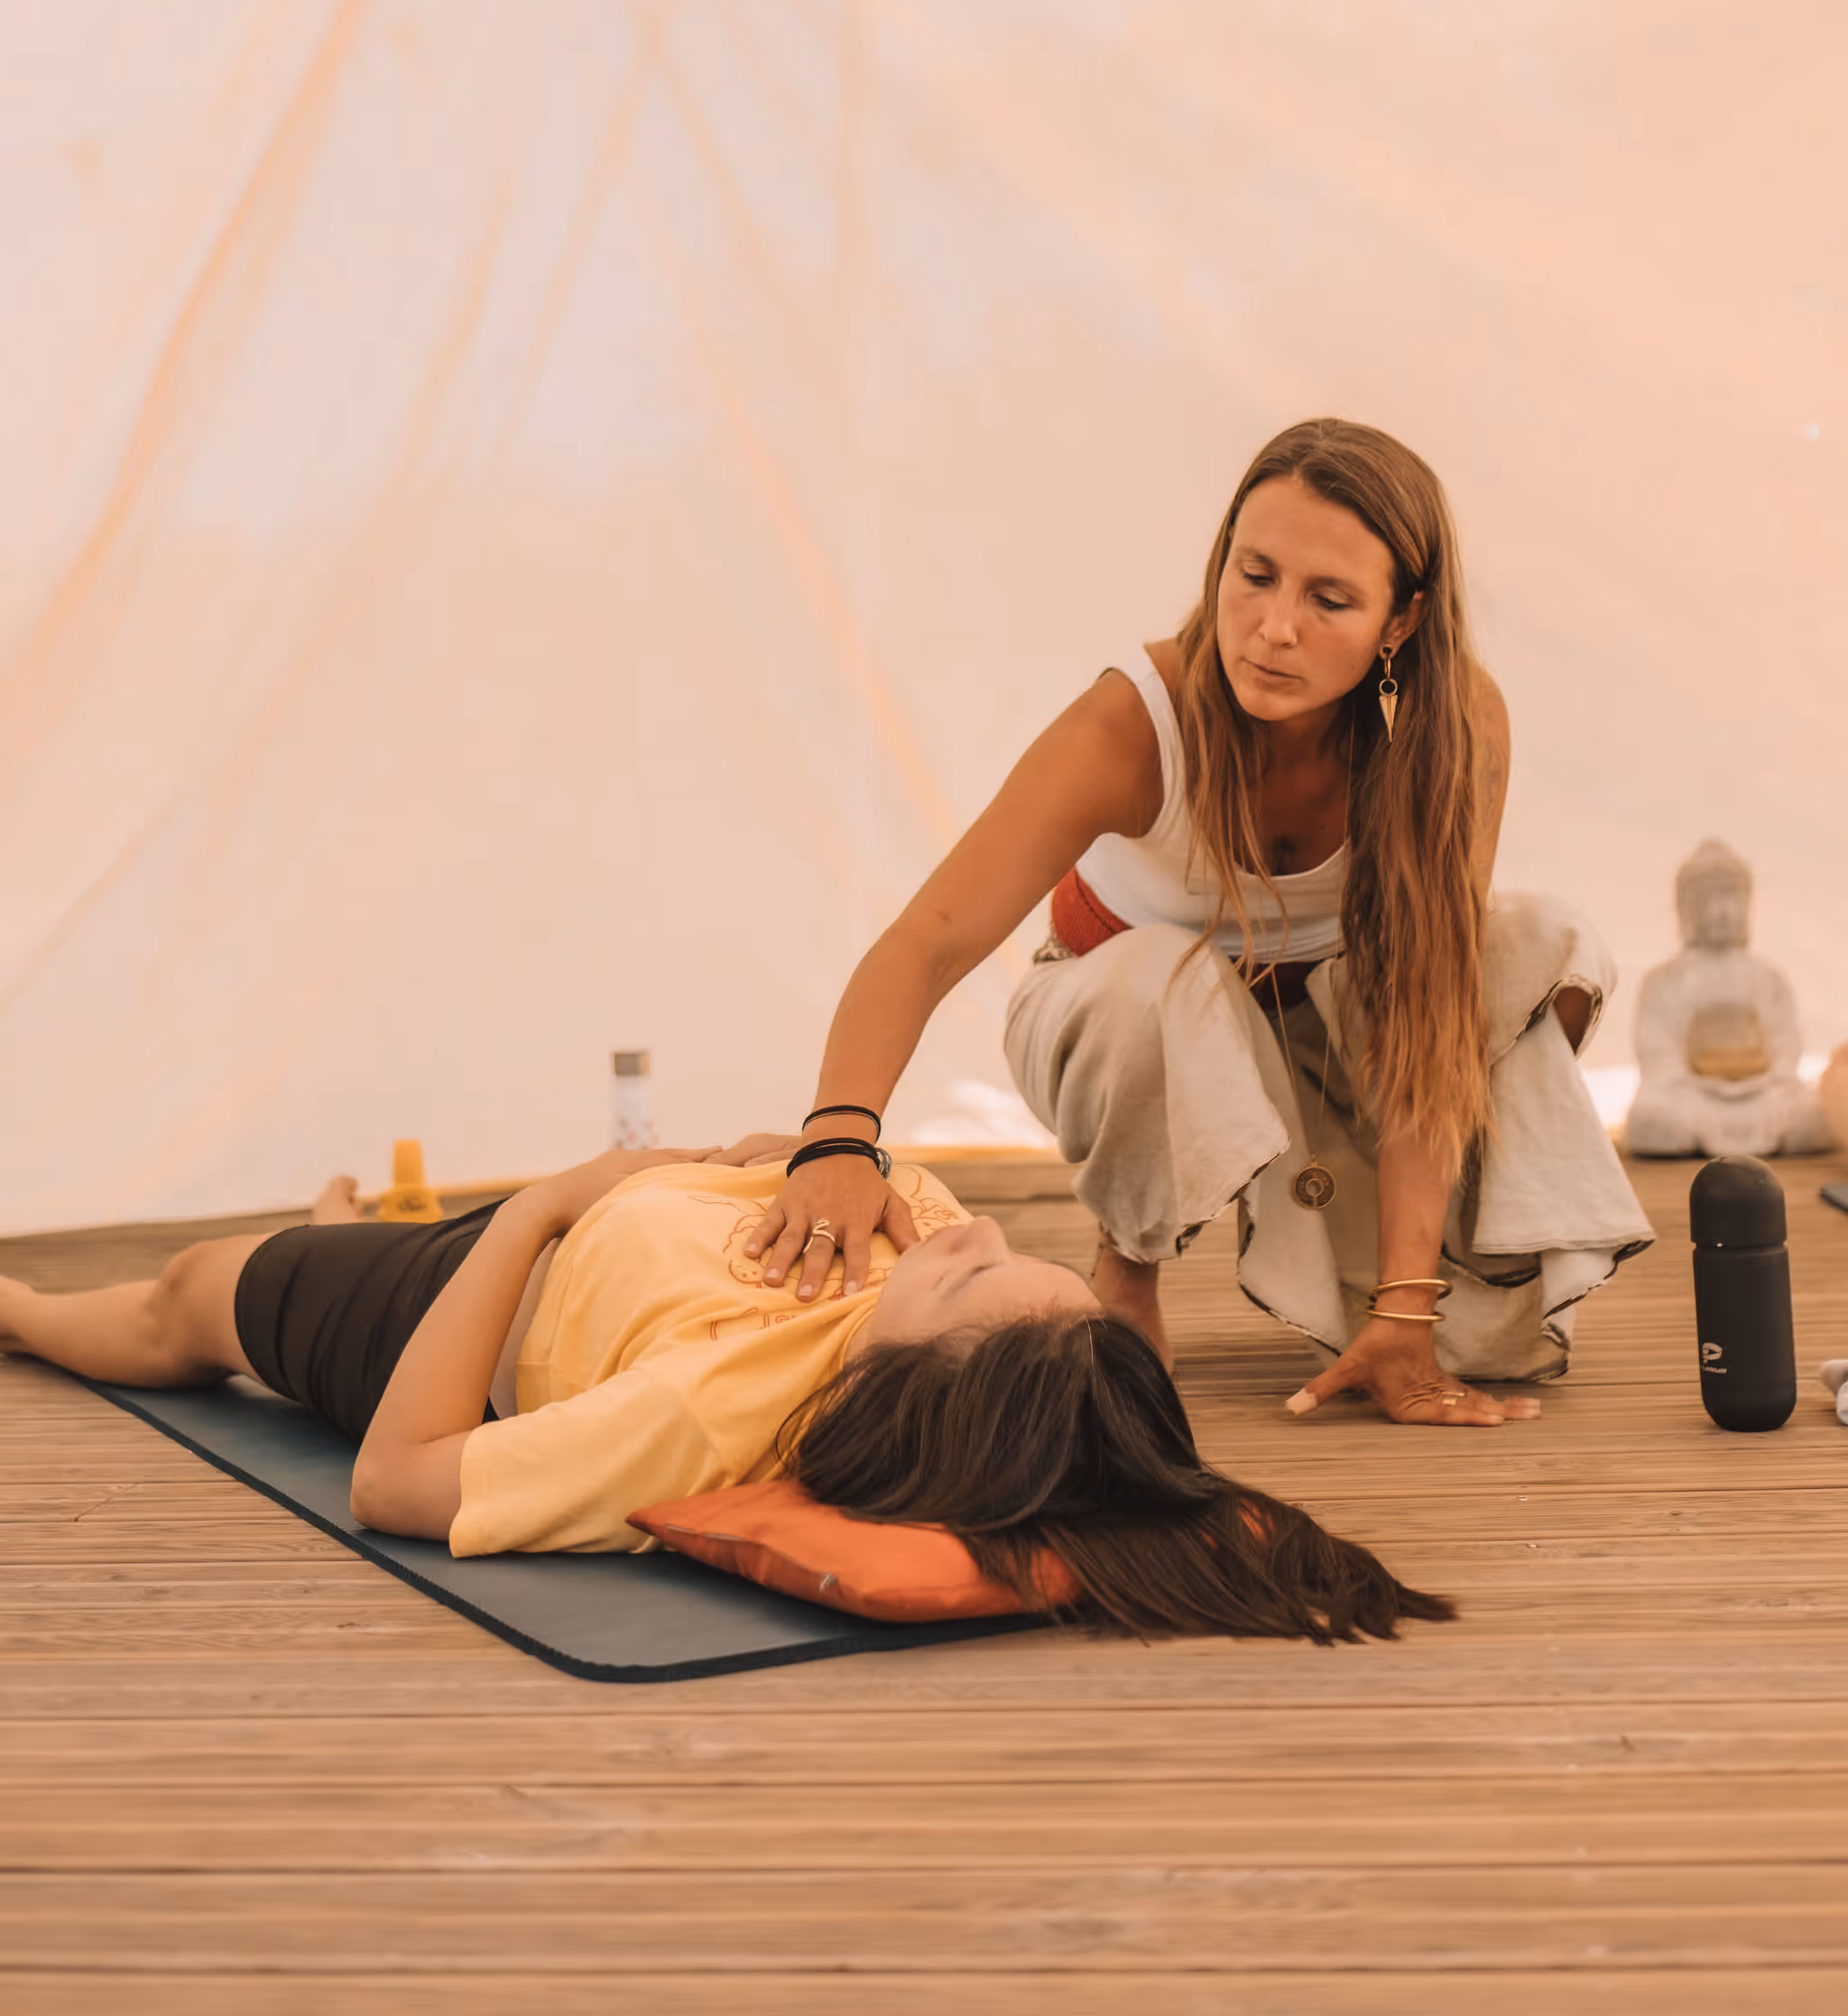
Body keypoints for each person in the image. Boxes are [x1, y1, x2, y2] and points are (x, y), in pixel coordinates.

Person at [751, 418, 1652, 1426]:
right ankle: (1126, 1263)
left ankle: (1410, 1264)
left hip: (1327, 1034)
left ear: (1399, 623)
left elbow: (1422, 1008)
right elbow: (931, 939)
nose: (1272, 628)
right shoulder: (1128, 723)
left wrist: (1405, 1304)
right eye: (1254, 574)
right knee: (1160, 978)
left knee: (1527, 939)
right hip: (1117, 1017)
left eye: (1329, 600)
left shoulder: (1454, 726)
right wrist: (834, 1143)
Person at [0, 1135, 1451, 1643]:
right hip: (580, 1234)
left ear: (906, 1381)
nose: (980, 1233)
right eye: (1017, 1253)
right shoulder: (933, 1252)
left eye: (966, 1275)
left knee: (192, 1295)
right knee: (311, 1237)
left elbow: (394, 1481)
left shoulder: (695, 1420)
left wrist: (538, 1211)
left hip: (465, 1299)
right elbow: (846, 1179)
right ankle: (338, 1224)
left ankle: (16, 1312)